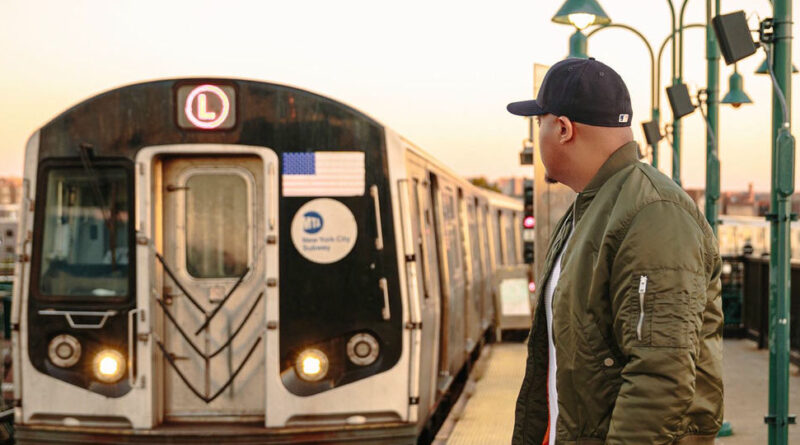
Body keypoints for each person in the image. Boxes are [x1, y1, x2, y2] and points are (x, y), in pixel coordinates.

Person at [506, 58, 723, 445]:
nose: (537, 134)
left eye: (538, 123)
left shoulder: (654, 214)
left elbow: (660, 376)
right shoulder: (588, 211)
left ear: (563, 128)